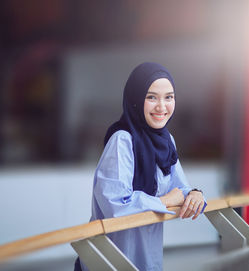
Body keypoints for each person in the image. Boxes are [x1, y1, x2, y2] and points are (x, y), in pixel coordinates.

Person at [74, 62, 206, 271]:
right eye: (151, 97)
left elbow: (179, 189)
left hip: (146, 257)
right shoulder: (122, 140)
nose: (162, 107)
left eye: (168, 97)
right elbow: (115, 204)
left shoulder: (166, 141)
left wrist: (196, 194)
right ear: (136, 99)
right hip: (111, 259)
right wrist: (164, 201)